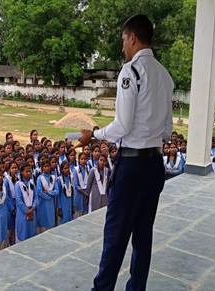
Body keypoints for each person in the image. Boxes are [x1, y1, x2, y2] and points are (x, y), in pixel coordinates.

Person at [78, 14, 173, 291]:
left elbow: (122, 125)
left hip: (131, 166)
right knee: (143, 237)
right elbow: (167, 130)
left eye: (123, 40)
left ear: (132, 37)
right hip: (154, 164)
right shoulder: (165, 76)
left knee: (116, 236)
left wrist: (93, 135)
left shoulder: (130, 72)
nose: (122, 47)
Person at [15, 162, 37, 242]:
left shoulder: (32, 182)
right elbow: (19, 200)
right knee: (23, 233)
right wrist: (27, 211)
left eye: (29, 171)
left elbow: (35, 196)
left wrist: (33, 208)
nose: (28, 173)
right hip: (23, 213)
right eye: (26, 171)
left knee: (31, 234)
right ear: (21, 172)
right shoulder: (18, 185)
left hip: (32, 211)